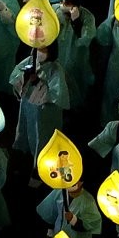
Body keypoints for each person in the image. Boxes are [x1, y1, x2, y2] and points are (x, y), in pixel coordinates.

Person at [11, 43, 71, 180]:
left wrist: (38, 82)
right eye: (38, 49)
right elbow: (14, 77)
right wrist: (24, 79)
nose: (40, 53)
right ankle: (24, 162)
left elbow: (58, 95)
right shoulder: (29, 61)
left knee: (42, 140)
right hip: (28, 108)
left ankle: (39, 172)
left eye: (44, 50)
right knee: (25, 134)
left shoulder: (55, 69)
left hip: (46, 113)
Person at [37, 180, 103, 238]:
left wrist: (73, 220)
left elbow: (93, 224)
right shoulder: (59, 192)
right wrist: (50, 231)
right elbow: (50, 212)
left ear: (81, 182)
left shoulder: (88, 200)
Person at [52, 0, 95, 107]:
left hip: (76, 55)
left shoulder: (87, 16)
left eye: (68, 1)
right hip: (57, 53)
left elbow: (85, 39)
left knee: (75, 83)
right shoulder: (55, 10)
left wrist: (76, 22)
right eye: (63, 1)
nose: (64, 3)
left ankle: (75, 109)